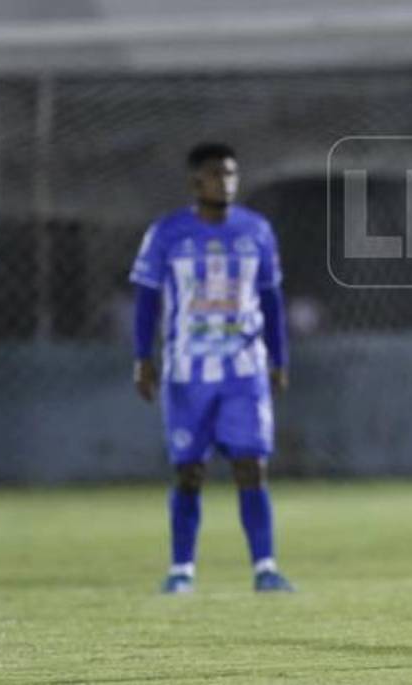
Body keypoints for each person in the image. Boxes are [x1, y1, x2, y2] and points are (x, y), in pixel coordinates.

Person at [130, 142, 294, 594]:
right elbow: (146, 300)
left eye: (231, 173)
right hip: (187, 371)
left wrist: (279, 359)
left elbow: (271, 299)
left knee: (251, 465)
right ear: (195, 181)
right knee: (189, 471)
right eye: (216, 174)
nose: (225, 182)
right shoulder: (166, 233)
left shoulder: (256, 230)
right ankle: (181, 570)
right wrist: (142, 358)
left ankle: (265, 567)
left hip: (244, 369)